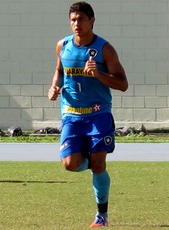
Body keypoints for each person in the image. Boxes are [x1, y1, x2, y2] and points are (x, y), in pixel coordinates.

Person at [48, 1, 128, 228]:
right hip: (71, 115)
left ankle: (101, 215)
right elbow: (59, 71)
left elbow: (123, 84)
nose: (77, 24)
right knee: (70, 164)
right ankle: (89, 161)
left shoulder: (105, 49)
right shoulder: (62, 45)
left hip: (98, 114)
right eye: (73, 20)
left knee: (99, 164)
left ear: (92, 21)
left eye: (81, 19)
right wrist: (54, 86)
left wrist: (99, 74)